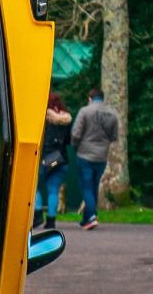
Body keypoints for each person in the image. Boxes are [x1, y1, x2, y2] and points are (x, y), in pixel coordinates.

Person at [70, 88, 119, 230]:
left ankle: (91, 216)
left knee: (86, 186)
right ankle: (87, 218)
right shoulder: (112, 114)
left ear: (90, 98)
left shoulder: (85, 111)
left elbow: (76, 133)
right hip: (102, 155)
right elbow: (114, 136)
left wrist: (75, 145)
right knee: (94, 186)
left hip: (85, 154)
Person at [35, 92, 73, 230]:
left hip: (44, 159)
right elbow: (69, 140)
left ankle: (38, 213)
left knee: (34, 187)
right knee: (53, 190)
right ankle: (51, 220)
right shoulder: (66, 119)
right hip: (61, 160)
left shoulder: (42, 117)